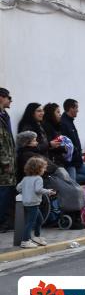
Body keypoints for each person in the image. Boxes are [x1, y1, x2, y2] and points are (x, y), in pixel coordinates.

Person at [16, 156, 55, 248]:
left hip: (27, 202)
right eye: (43, 168)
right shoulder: (38, 179)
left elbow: (18, 188)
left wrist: (26, 191)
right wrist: (49, 191)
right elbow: (38, 190)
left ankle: (37, 237)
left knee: (39, 220)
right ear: (38, 169)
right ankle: (25, 241)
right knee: (30, 222)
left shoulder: (26, 178)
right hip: (33, 203)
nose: (44, 170)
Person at [60, 99, 85, 183]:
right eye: (76, 108)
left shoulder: (70, 121)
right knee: (71, 183)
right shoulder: (63, 123)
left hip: (77, 159)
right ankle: (69, 181)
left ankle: (72, 180)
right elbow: (65, 143)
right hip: (70, 161)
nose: (78, 110)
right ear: (71, 108)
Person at [0, 88, 16, 232]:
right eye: (8, 97)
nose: (10, 100)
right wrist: (5, 161)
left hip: (9, 160)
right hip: (3, 163)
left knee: (7, 192)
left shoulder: (5, 115)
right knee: (3, 192)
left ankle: (5, 221)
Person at [42, 103, 68, 168]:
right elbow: (52, 145)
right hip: (54, 162)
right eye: (58, 112)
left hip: (60, 160)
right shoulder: (46, 126)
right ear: (51, 113)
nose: (60, 114)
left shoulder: (57, 126)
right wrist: (64, 148)